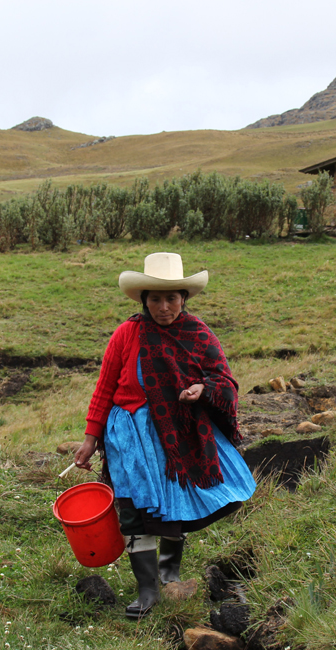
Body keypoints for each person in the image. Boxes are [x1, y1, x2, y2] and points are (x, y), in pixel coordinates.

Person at [72, 252, 256, 619]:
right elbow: (105, 387)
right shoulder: (128, 333)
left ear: (184, 298)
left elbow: (224, 381)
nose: (164, 307)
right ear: (143, 299)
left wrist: (202, 390)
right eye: (155, 298)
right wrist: (91, 439)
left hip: (174, 435)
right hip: (127, 435)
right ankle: (147, 590)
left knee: (173, 505)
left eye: (171, 298)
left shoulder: (198, 334)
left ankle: (170, 571)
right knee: (133, 512)